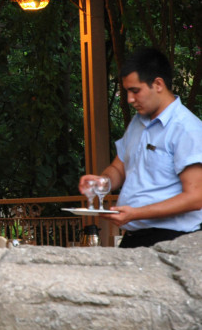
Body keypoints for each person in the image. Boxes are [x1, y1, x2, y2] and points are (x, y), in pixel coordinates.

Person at [79, 47, 202, 248]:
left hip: (173, 240)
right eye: (127, 91)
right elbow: (119, 168)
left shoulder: (187, 128)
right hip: (133, 237)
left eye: (135, 91)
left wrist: (136, 213)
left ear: (158, 84)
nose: (129, 99)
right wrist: (102, 182)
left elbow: (196, 197)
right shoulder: (138, 122)